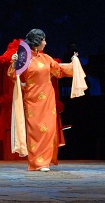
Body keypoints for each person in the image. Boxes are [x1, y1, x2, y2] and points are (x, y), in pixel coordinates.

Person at [8, 29, 86, 171]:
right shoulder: (24, 58)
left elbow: (59, 71)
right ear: (36, 42)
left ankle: (45, 161)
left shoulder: (46, 58)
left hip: (48, 99)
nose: (45, 42)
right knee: (36, 131)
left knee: (48, 130)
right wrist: (14, 63)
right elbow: (13, 75)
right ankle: (37, 163)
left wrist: (74, 62)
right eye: (43, 40)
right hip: (32, 99)